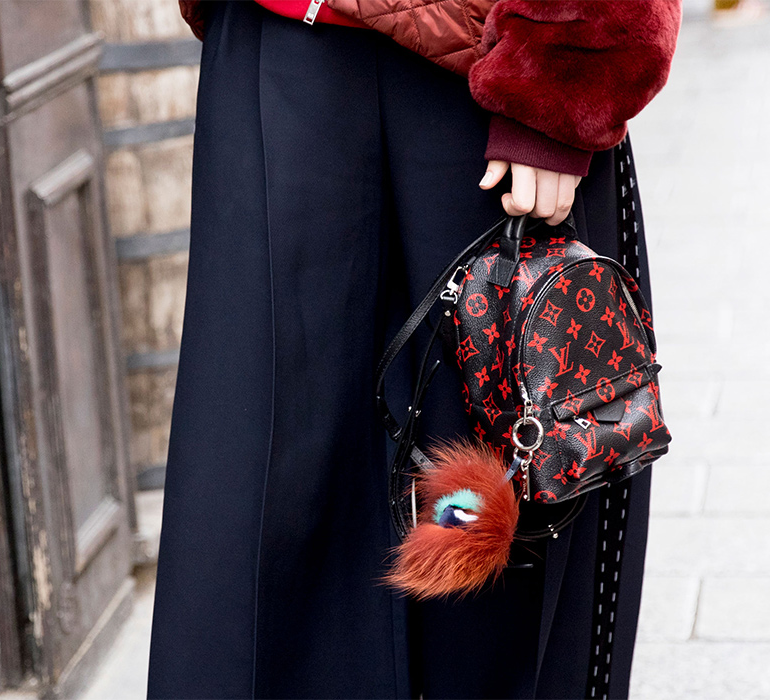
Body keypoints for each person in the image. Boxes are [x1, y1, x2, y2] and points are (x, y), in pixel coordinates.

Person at [147, 1, 682, 698]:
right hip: (277, 54)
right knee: (267, 538)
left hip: (487, 73)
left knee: (510, 515)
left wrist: (564, 72)